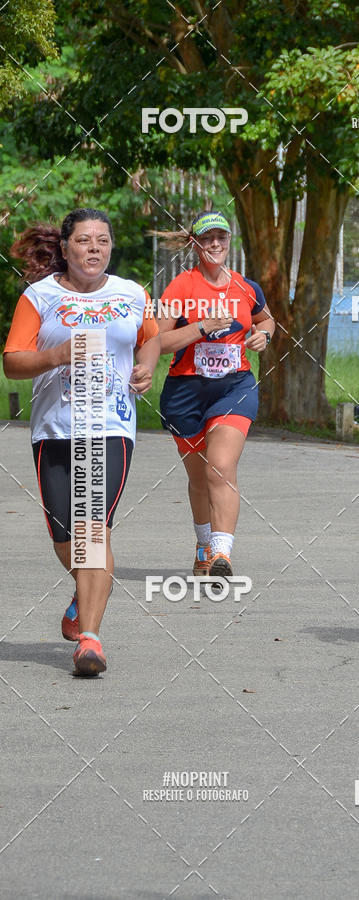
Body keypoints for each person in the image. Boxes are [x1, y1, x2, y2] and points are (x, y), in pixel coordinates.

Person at [3, 209, 160, 675]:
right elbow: (12, 362)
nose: (95, 248)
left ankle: (90, 641)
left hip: (110, 425)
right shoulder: (40, 296)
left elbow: (150, 338)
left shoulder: (132, 294)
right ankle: (86, 589)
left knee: (94, 527)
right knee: (64, 534)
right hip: (55, 427)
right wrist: (55, 354)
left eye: (103, 241)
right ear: (66, 248)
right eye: (85, 241)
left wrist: (147, 365)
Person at [157, 210, 274, 578]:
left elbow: (266, 319)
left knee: (220, 467)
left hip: (234, 388)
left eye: (221, 237)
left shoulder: (246, 287)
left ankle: (222, 554)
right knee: (198, 477)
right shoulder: (180, 287)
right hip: (186, 392)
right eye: (207, 239)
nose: (215, 244)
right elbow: (157, 341)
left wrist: (264, 336)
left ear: (228, 241)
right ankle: (203, 544)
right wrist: (201, 327)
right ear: (195, 244)